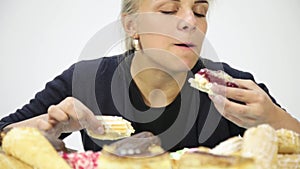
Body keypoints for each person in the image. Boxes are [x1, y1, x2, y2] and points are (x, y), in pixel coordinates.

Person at [1, 0, 299, 152]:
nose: (189, 22)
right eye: (168, 10)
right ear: (131, 26)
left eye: (200, 10)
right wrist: (43, 128)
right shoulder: (86, 80)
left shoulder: (233, 87)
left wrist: (272, 118)